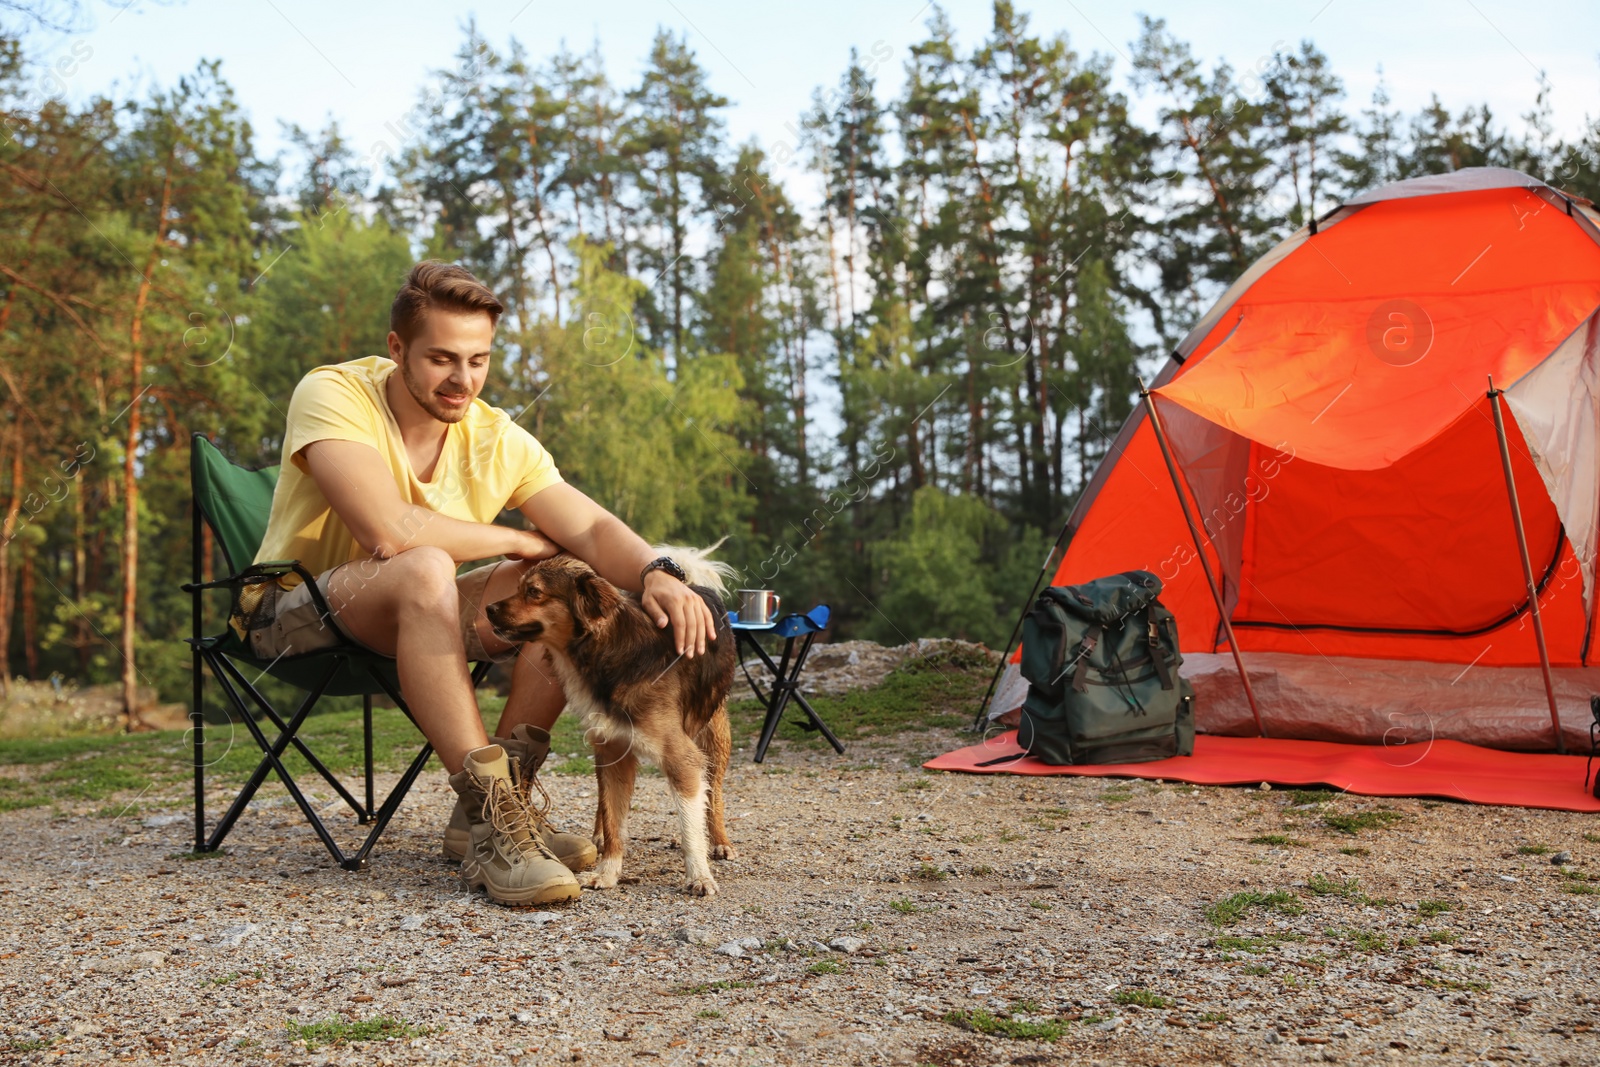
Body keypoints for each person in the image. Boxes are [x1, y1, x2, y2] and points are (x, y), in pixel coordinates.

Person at [238, 260, 717, 906]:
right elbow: (389, 529)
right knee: (433, 564)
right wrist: (519, 537)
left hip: (410, 606)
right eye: (441, 358)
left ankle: (495, 809)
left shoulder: (493, 436)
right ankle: (496, 818)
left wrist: (659, 574)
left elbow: (595, 528)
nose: (462, 379)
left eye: (478, 359)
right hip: (290, 611)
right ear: (396, 349)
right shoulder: (333, 393)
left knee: (554, 593)